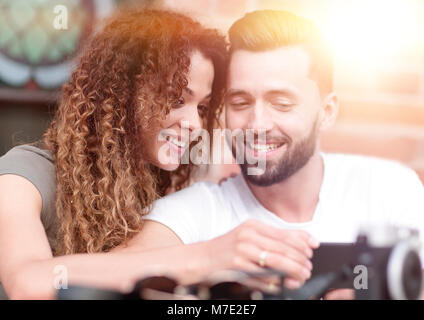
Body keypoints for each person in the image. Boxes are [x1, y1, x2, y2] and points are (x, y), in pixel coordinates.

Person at [128, 10, 424, 297]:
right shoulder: (196, 214)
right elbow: (99, 276)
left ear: (327, 112)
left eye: (281, 103)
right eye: (240, 103)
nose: (257, 125)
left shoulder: (391, 189)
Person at [0, 8, 228, 299]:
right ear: (122, 93)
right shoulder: (20, 179)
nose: (194, 124)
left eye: (203, 108)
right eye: (175, 99)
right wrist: (200, 259)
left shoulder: (161, 187)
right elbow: (28, 284)